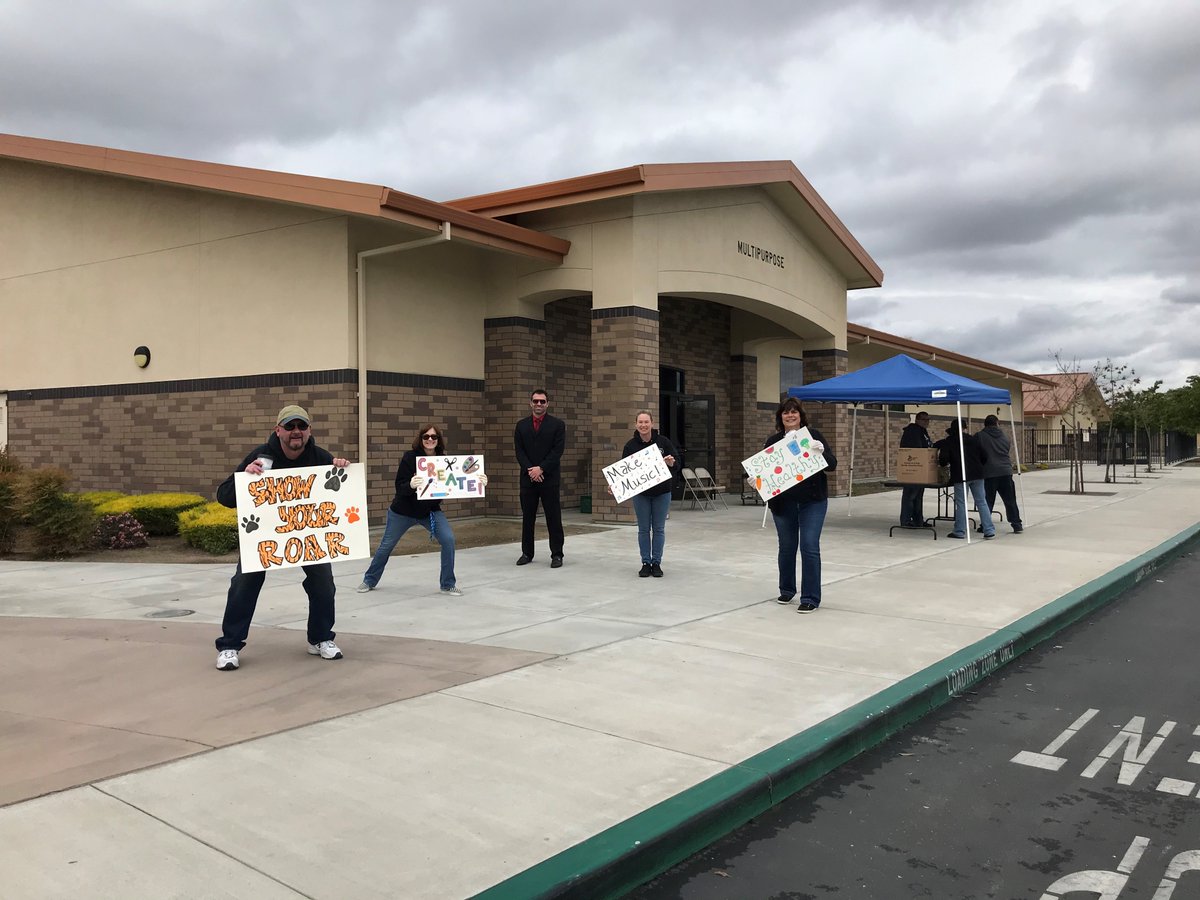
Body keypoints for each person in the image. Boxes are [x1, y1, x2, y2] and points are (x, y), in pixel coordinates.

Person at [213, 404, 350, 671]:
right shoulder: (261, 457)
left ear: (309, 430)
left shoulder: (321, 458)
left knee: (323, 582)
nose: (296, 431)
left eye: (302, 426)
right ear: (278, 430)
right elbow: (224, 496)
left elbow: (340, 496)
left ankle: (320, 638)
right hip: (265, 537)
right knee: (244, 583)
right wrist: (244, 477)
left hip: (308, 535)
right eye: (289, 426)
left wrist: (342, 470)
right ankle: (230, 645)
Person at [356, 425, 487, 596]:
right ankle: (369, 580)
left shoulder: (443, 460)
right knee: (386, 546)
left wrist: (476, 481)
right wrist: (410, 485)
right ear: (421, 439)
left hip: (429, 512)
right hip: (402, 512)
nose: (430, 440)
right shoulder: (410, 458)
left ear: (438, 440)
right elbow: (399, 487)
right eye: (426, 437)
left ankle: (447, 584)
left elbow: (455, 482)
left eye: (434, 437)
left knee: (448, 540)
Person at [765, 398, 837, 613]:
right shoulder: (773, 441)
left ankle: (810, 597)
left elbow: (832, 465)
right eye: (785, 412)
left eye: (794, 412)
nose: (790, 416)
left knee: (809, 546)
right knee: (787, 547)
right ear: (780, 417)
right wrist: (757, 481)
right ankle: (787, 589)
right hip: (783, 503)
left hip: (812, 502)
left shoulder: (813, 436)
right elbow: (766, 472)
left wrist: (821, 452)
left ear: (800, 415)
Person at [621, 411, 681, 577]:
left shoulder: (663, 442)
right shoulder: (630, 445)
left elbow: (677, 464)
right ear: (636, 424)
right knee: (643, 529)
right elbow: (623, 472)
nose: (643, 425)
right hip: (641, 495)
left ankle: (657, 563)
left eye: (646, 422)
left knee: (659, 529)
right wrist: (616, 486)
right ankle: (645, 562)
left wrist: (671, 463)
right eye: (640, 422)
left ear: (652, 423)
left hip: (662, 492)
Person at [514, 388, 566, 568]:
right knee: (528, 518)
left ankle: (557, 554)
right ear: (530, 403)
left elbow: (557, 451)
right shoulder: (521, 426)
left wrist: (541, 468)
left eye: (542, 401)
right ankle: (527, 553)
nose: (539, 404)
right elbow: (519, 451)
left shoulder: (557, 425)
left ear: (547, 404)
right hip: (528, 479)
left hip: (549, 479)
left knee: (553, 518)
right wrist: (531, 470)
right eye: (535, 401)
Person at [935, 419, 996, 540]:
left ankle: (959, 530)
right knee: (981, 502)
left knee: (961, 503)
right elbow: (985, 456)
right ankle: (989, 530)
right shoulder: (974, 440)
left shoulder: (949, 441)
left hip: (960, 475)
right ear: (964, 428)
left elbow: (943, 459)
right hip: (977, 474)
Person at [977, 414, 1023, 533]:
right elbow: (1007, 449)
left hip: (989, 472)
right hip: (1006, 471)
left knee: (988, 500)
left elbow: (977, 452)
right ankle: (1016, 524)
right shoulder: (1005, 436)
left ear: (985, 424)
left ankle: (985, 525)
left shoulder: (980, 436)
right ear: (997, 423)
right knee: (1010, 500)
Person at [899, 411, 933, 527]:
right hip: (912, 469)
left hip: (922, 469)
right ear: (917, 420)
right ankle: (906, 520)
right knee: (910, 495)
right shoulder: (912, 431)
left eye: (928, 419)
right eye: (924, 419)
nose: (926, 422)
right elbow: (917, 449)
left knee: (918, 496)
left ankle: (918, 520)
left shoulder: (923, 432)